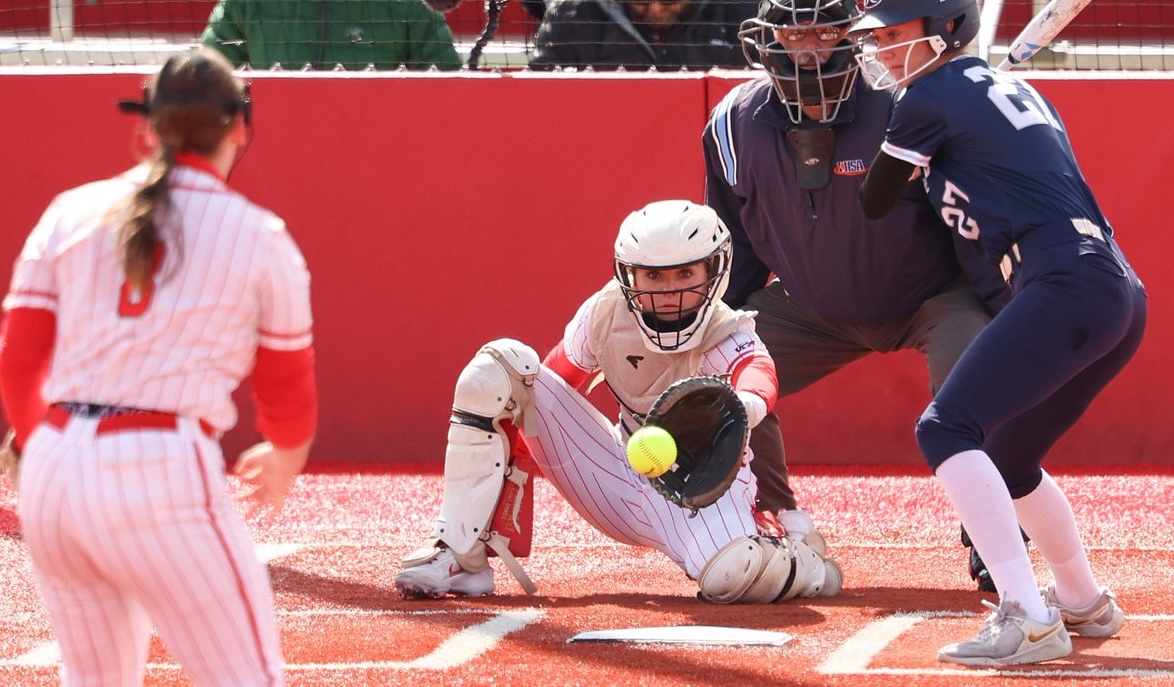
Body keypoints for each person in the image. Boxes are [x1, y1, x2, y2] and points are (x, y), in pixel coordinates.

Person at [0, 48, 318, 685]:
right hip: (160, 470)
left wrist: (39, 440)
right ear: (239, 128)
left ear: (146, 128)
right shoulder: (260, 235)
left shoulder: (70, 210)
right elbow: (286, 383)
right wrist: (286, 454)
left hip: (55, 476)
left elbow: (19, 358)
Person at [851, 0, 1146, 666]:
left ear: (946, 31)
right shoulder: (1011, 88)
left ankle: (1028, 617)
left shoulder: (928, 98)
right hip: (1116, 288)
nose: (883, 50)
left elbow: (873, 199)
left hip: (1065, 280)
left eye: (896, 36)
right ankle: (1080, 599)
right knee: (1012, 460)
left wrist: (920, 157)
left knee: (945, 428)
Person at [394, 200, 842, 604]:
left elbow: (759, 375)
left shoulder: (729, 328)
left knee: (734, 575)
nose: (669, 292)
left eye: (685, 274)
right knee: (500, 368)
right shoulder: (606, 313)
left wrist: (744, 406)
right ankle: (461, 556)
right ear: (629, 275)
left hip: (703, 494)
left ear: (714, 271)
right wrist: (514, 457)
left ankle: (799, 557)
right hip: (619, 474)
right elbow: (551, 384)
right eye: (654, 276)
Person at [703, 0, 1009, 577]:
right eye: (795, 35)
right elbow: (735, 248)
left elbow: (974, 217)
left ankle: (993, 538)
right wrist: (715, 332)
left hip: (933, 299)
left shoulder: (906, 100)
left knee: (975, 379)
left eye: (825, 31)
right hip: (810, 309)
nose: (811, 48)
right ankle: (770, 522)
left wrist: (999, 307)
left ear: (854, 36)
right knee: (718, 370)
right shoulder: (731, 123)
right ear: (769, 41)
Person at [202, 0, 462, 71]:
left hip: (380, 173)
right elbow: (206, 84)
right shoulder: (245, 3)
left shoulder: (412, 6)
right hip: (272, 172)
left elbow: (448, 102)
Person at [529, 0, 758, 70]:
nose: (656, 9)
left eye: (670, 1)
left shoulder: (747, 14)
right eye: (640, 2)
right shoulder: (571, 14)